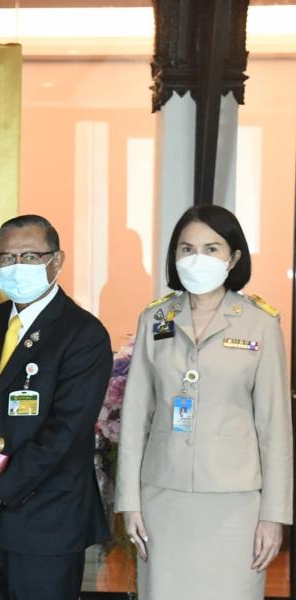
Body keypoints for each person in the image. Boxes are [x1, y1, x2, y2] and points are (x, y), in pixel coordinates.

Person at [115, 205, 292, 600]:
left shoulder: (260, 323)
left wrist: (274, 515)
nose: (197, 259)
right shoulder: (156, 319)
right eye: (187, 249)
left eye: (211, 249)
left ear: (234, 258)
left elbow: (275, 429)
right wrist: (129, 501)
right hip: (163, 498)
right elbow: (135, 417)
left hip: (236, 505)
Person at [0, 214, 112, 600]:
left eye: (30, 256)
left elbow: (66, 433)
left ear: (56, 261)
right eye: (6, 258)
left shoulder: (83, 333)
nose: (17, 266)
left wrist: (0, 492)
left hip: (46, 518)